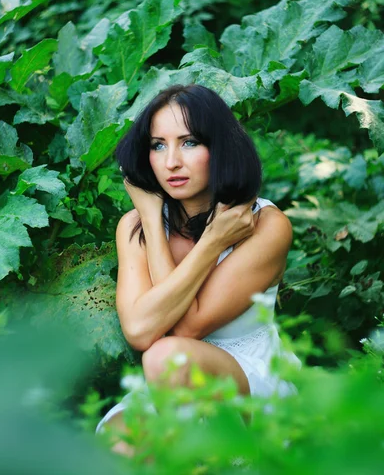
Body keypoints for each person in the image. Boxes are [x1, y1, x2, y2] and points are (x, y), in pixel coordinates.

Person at [96, 84, 300, 453]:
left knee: (166, 356)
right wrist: (152, 220)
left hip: (246, 376)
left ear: (220, 147)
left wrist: (214, 241)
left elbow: (186, 327)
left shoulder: (266, 225)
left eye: (188, 142)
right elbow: (141, 331)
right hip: (169, 378)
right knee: (119, 441)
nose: (171, 161)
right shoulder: (136, 225)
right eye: (158, 145)